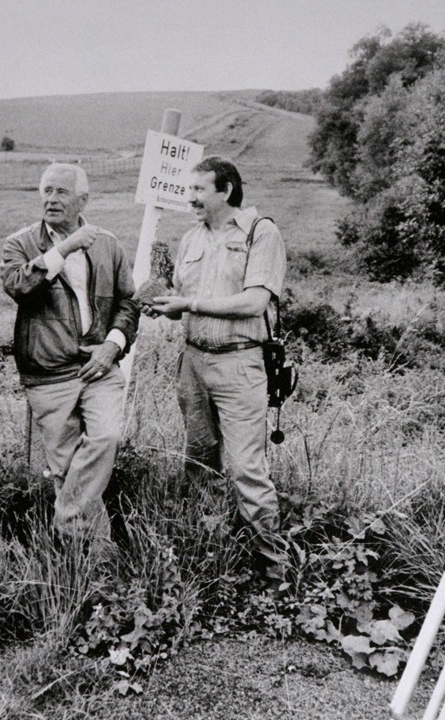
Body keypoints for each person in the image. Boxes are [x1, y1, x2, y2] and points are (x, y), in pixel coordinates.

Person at [145, 155, 288, 576]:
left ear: (225, 191)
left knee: (246, 469)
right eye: (189, 190)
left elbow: (254, 302)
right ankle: (213, 554)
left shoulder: (262, 233)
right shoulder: (191, 239)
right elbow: (182, 303)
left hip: (239, 366)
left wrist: (189, 302)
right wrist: (164, 307)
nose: (190, 199)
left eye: (198, 190)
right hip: (193, 363)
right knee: (199, 463)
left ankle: (272, 570)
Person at [1, 163, 138, 544]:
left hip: (100, 365)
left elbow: (128, 303)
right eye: (46, 190)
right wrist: (63, 249)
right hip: (47, 372)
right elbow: (17, 286)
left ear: (83, 200)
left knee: (106, 437)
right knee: (65, 468)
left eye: (61, 192)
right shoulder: (19, 244)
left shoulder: (108, 244)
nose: (51, 199)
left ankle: (65, 523)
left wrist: (113, 345)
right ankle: (96, 561)